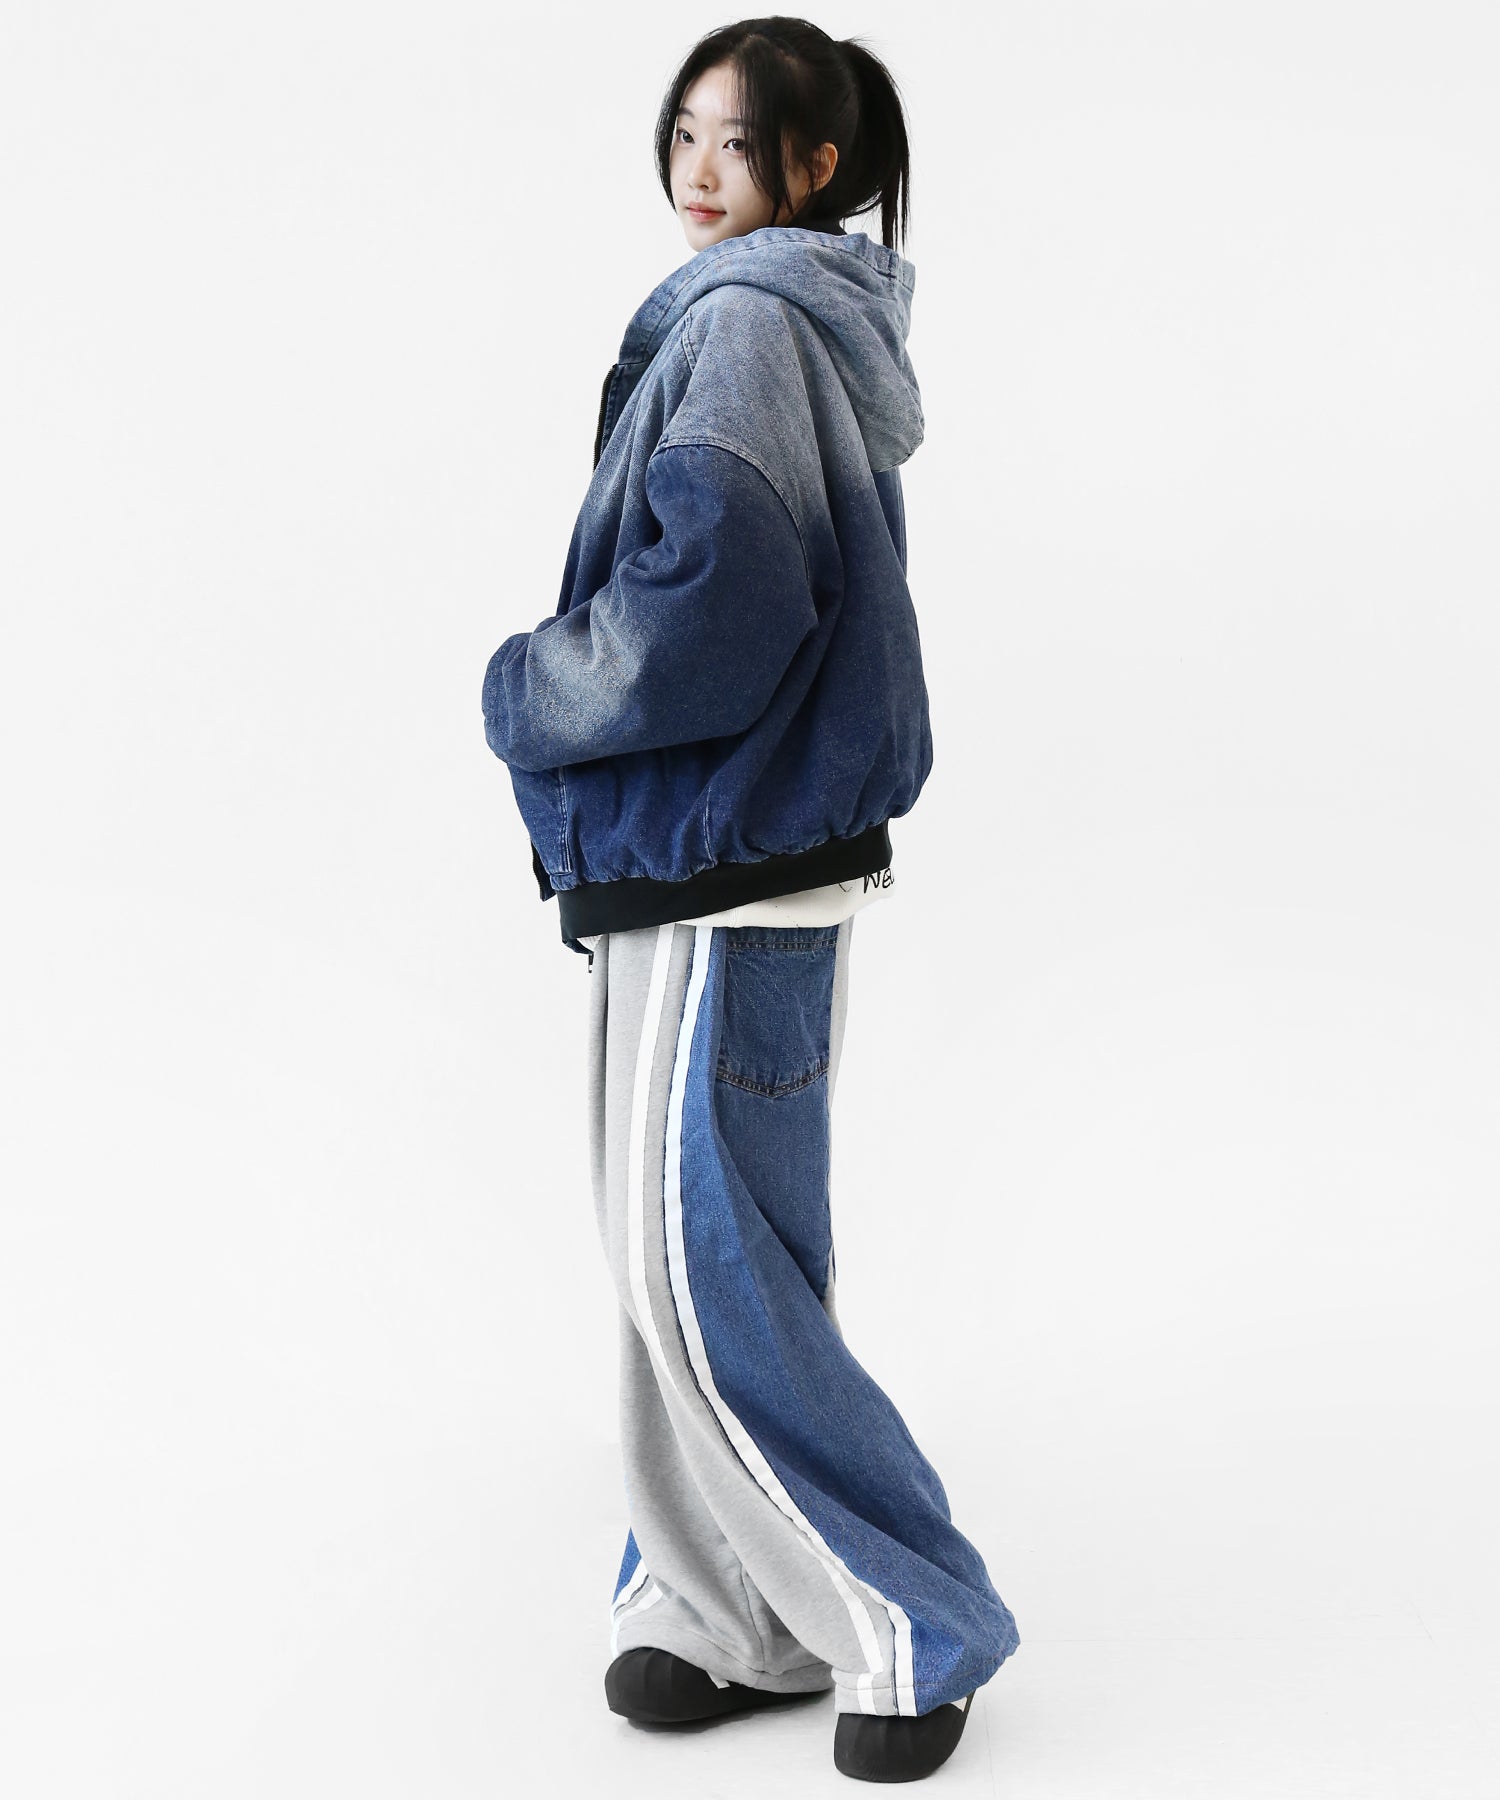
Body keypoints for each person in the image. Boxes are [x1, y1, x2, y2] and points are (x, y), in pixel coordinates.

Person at [480, 16, 1019, 1783]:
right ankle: (726, 1610)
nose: (702, 170)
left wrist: (532, 685)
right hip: (721, 858)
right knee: (705, 1256)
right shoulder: (778, 322)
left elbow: (717, 610)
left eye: (741, 142)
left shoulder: (747, 325)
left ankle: (912, 1624)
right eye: (685, 134)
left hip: (725, 859)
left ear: (818, 169)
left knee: (697, 1264)